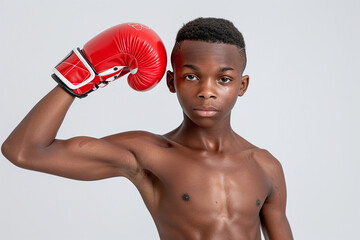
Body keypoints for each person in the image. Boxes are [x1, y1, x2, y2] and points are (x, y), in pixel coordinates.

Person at [1, 18, 293, 239]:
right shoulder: (147, 155)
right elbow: (24, 151)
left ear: (242, 86)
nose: (207, 91)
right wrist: (80, 74)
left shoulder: (265, 166)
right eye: (191, 76)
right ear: (171, 81)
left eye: (224, 79)